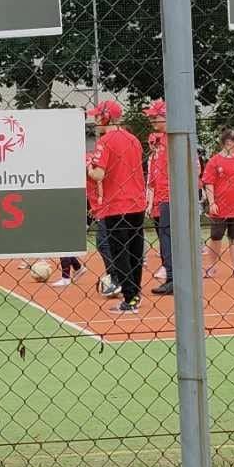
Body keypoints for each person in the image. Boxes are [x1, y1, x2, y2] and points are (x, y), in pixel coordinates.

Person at [87, 98, 147, 314]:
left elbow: (98, 174)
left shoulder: (105, 141)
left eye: (97, 117)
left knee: (119, 252)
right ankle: (135, 294)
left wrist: (88, 167)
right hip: (137, 201)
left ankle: (129, 298)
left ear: (106, 117)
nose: (96, 121)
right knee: (135, 250)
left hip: (116, 204)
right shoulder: (133, 139)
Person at [53, 123, 102, 287]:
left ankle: (66, 276)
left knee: (64, 238)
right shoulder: (71, 160)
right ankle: (77, 267)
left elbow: (98, 179)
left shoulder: (86, 158)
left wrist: (99, 199)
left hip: (87, 203)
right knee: (64, 238)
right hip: (77, 202)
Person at [201, 129, 234, 279]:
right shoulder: (215, 161)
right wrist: (212, 202)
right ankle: (211, 266)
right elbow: (209, 183)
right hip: (220, 206)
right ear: (229, 142)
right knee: (216, 236)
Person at [144, 100, 176, 295]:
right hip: (160, 197)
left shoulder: (173, 139)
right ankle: (171, 275)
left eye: (155, 117)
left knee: (167, 237)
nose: (152, 120)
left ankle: (173, 277)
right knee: (164, 237)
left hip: (171, 196)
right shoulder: (161, 142)